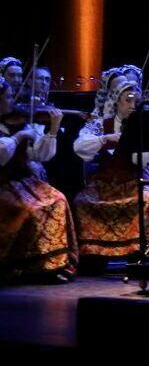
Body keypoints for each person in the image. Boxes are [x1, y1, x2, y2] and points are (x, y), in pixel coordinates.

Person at [71, 80, 149, 264]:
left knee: (147, 199)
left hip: (134, 180)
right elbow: (79, 147)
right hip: (105, 184)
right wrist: (106, 138)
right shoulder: (101, 124)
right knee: (81, 200)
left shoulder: (145, 125)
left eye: (137, 101)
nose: (133, 105)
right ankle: (93, 254)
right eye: (128, 100)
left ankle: (141, 250)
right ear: (116, 101)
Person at [0, 80, 77, 281]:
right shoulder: (14, 129)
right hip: (3, 183)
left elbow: (39, 155)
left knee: (58, 199)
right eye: (8, 97)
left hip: (23, 180)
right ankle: (27, 265)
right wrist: (18, 137)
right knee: (30, 209)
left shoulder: (18, 122)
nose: (13, 101)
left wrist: (53, 130)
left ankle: (55, 263)